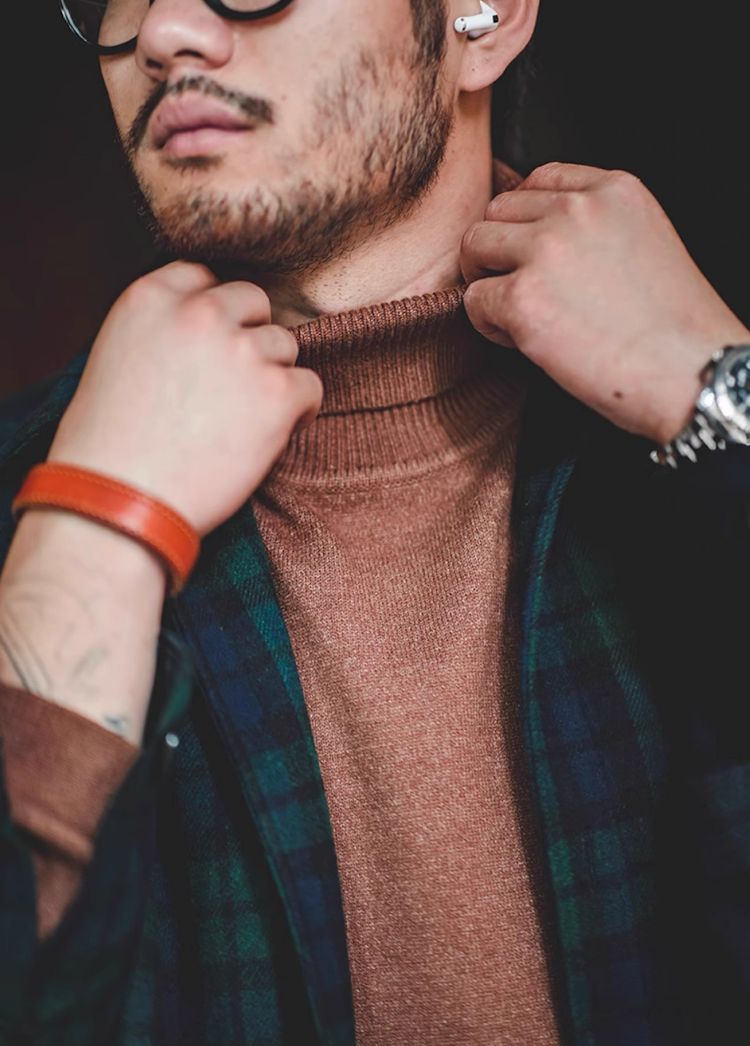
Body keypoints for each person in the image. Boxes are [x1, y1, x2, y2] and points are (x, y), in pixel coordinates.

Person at [0, 0, 749, 1043]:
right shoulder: (31, 499)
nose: (165, 29)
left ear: (482, 21)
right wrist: (93, 525)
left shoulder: (692, 434)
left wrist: (724, 399)